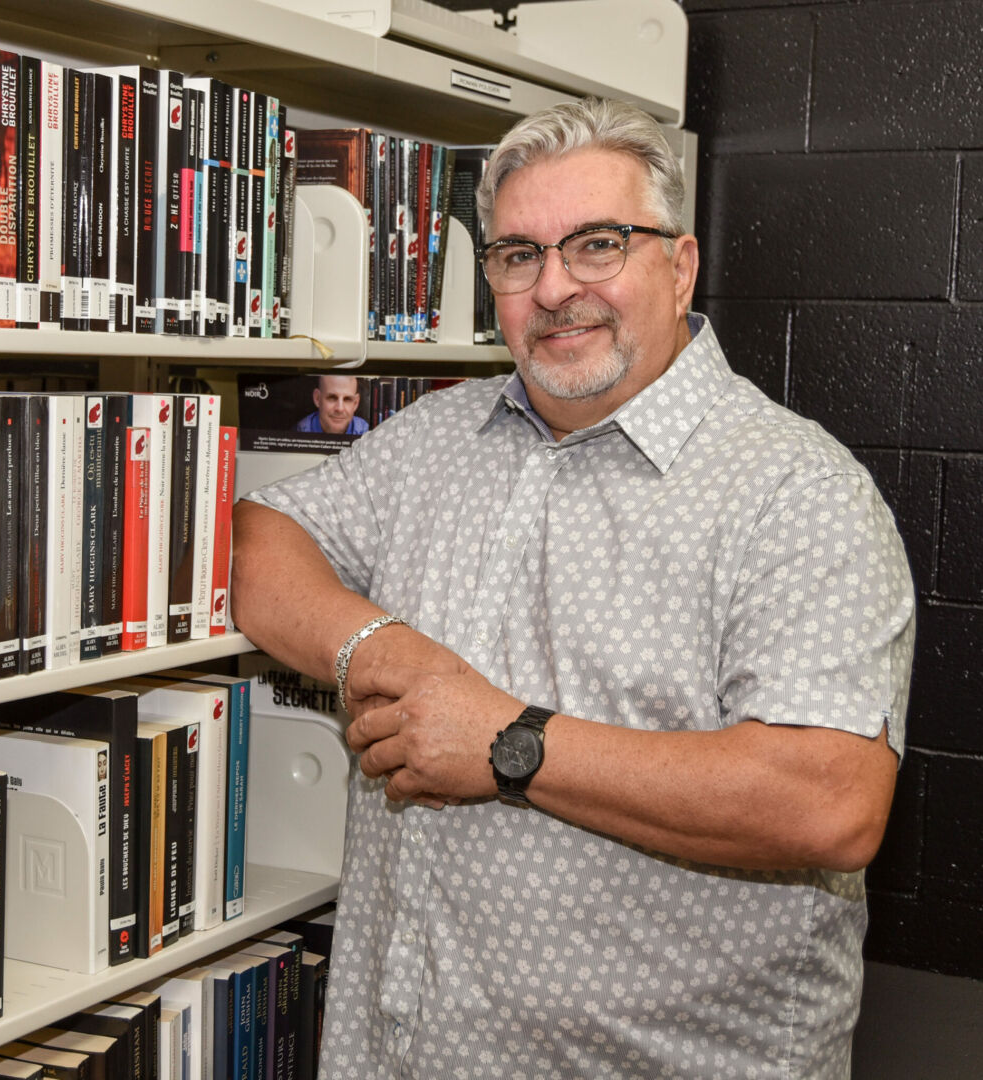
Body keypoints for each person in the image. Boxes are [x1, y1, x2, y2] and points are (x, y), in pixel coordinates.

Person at [231, 97, 914, 1079]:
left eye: (597, 244)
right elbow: (262, 539)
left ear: (677, 269)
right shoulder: (438, 435)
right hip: (405, 1051)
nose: (554, 288)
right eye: (518, 255)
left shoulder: (795, 492)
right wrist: (374, 646)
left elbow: (829, 802)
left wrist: (511, 745)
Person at [295, 374, 370, 434]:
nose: (340, 408)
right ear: (317, 399)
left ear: (356, 403)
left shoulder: (366, 433)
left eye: (347, 399)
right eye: (332, 398)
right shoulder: (300, 431)